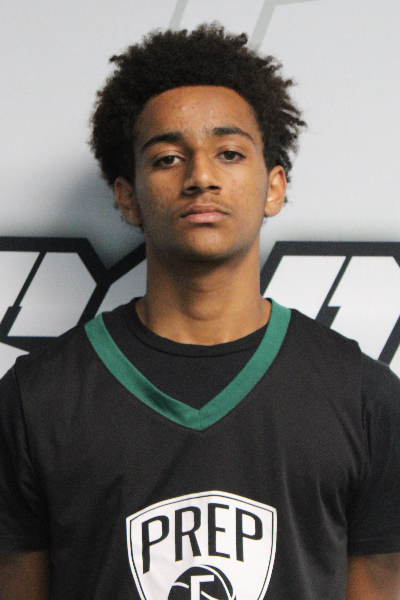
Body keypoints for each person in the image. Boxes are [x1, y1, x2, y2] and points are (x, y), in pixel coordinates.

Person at [0, 23, 399, 600]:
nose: (201, 177)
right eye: (168, 158)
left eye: (229, 153)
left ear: (274, 187)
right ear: (128, 198)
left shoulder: (364, 397)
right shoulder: (35, 399)